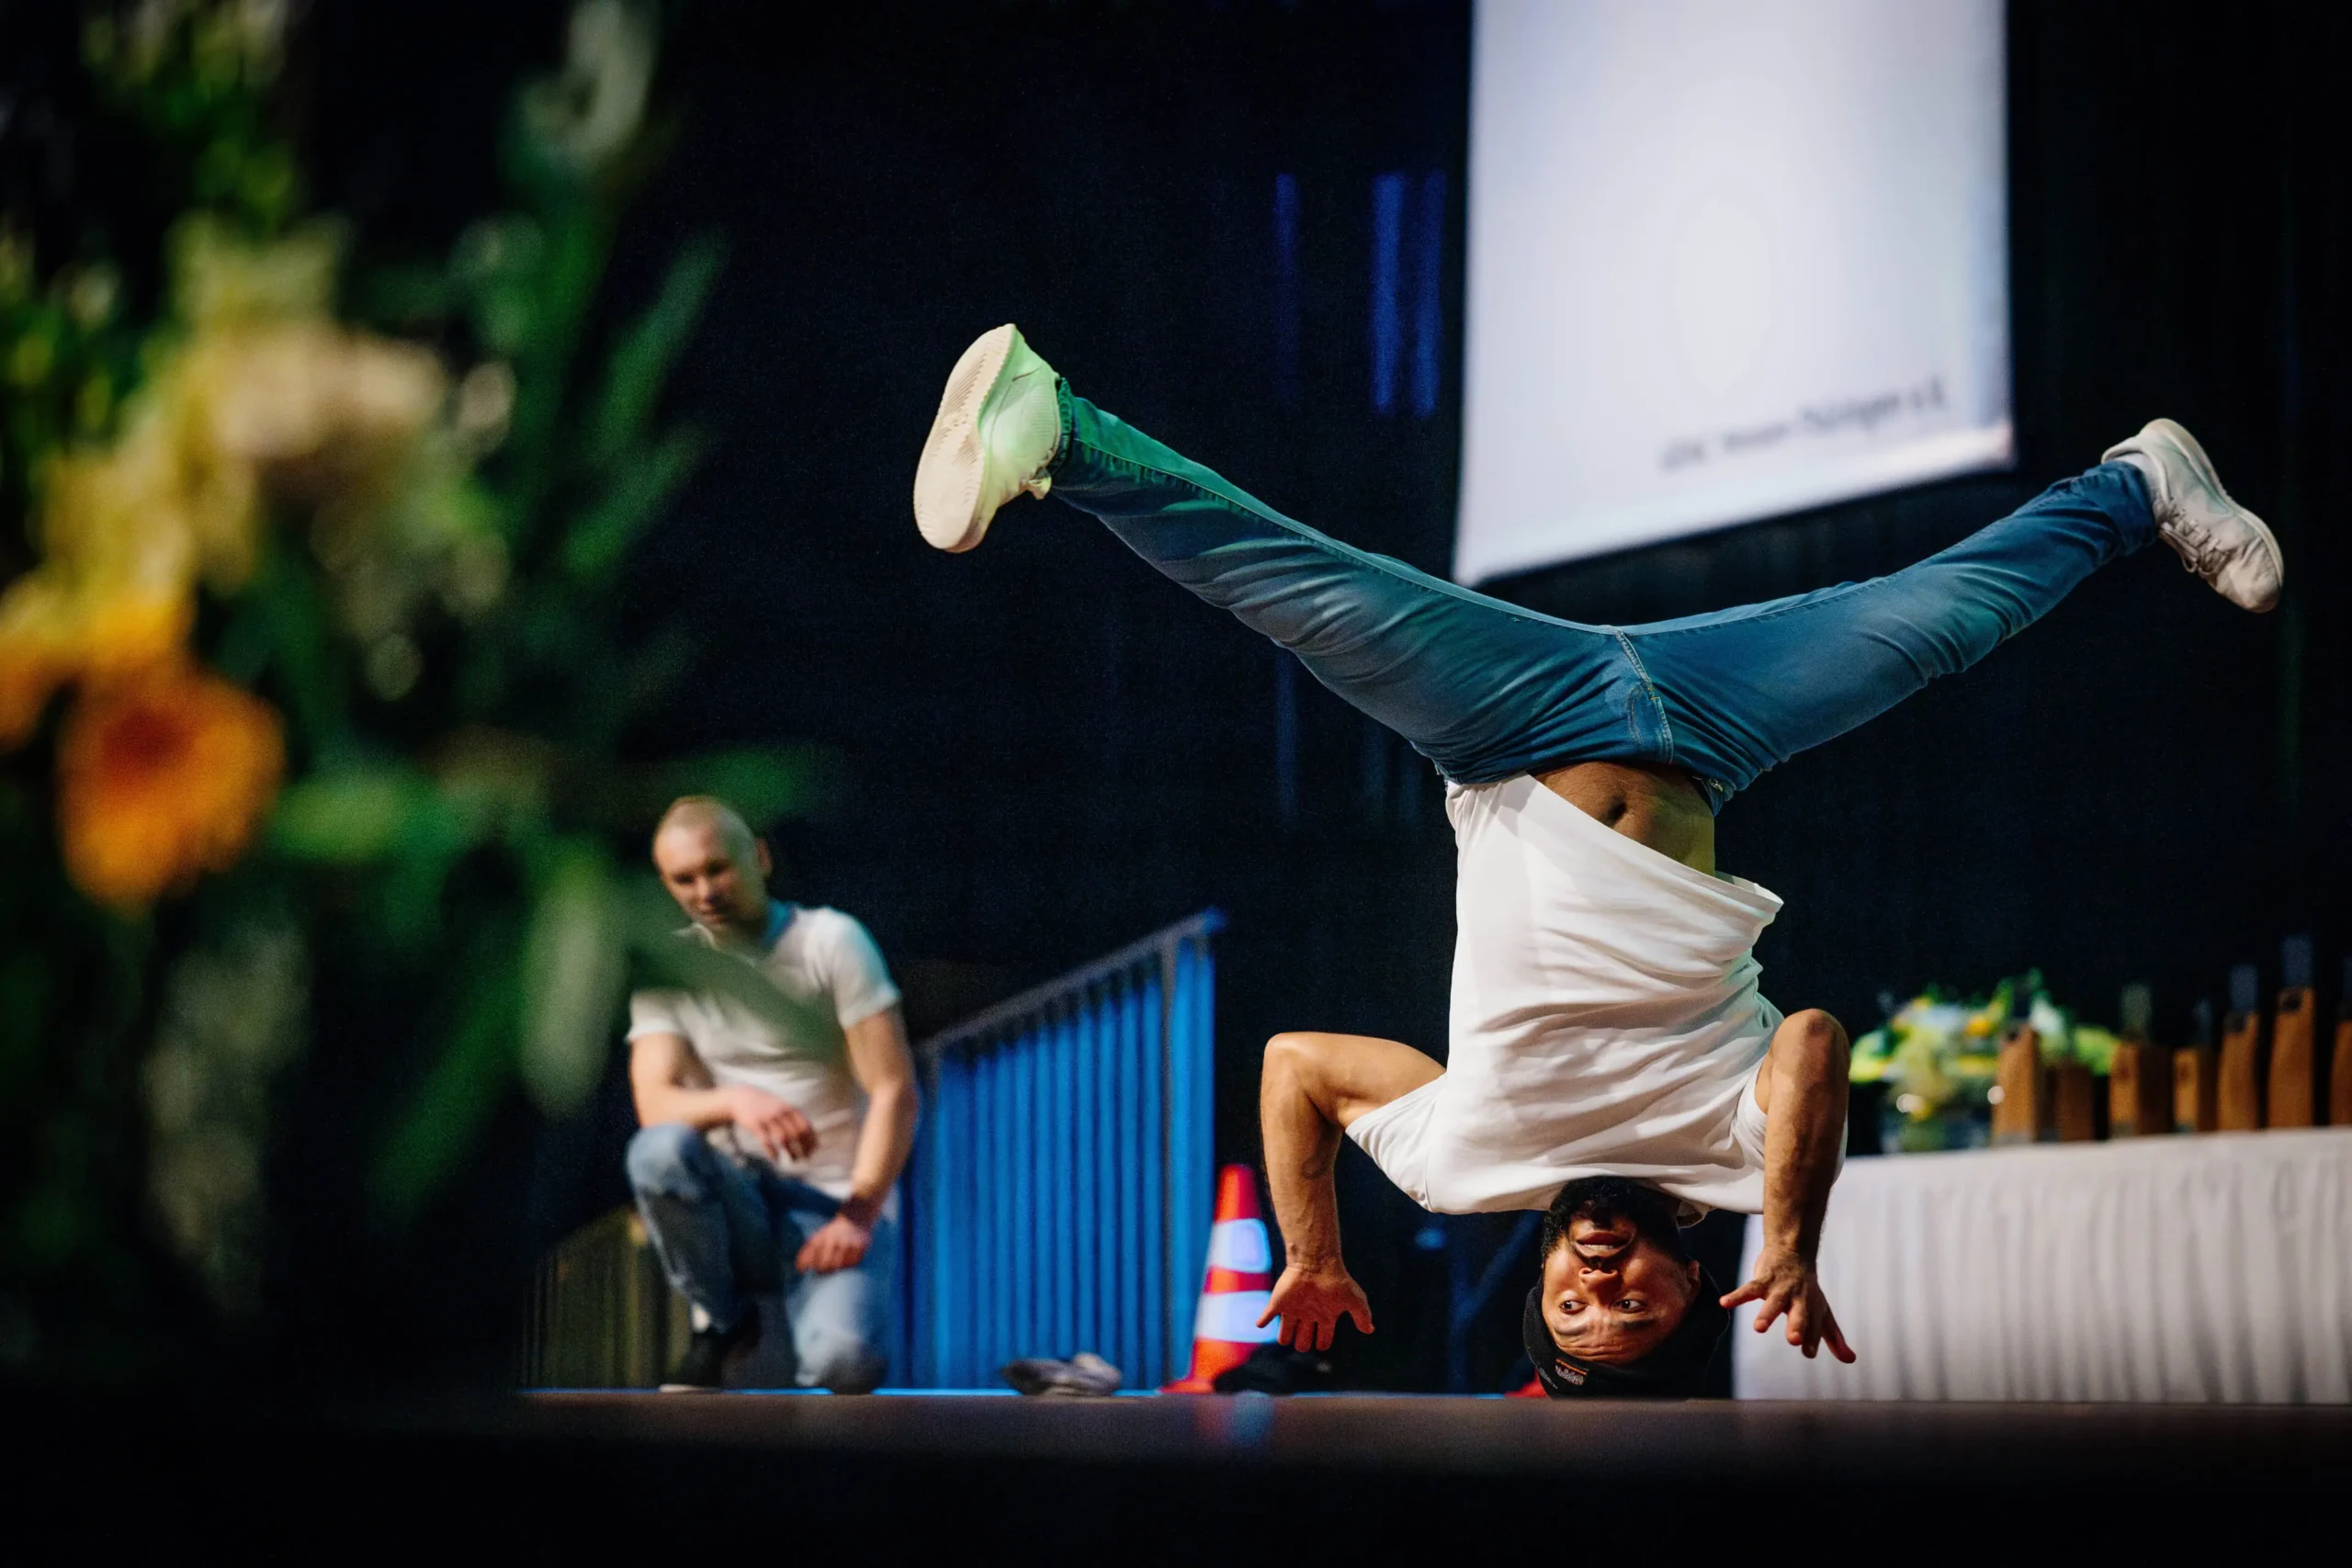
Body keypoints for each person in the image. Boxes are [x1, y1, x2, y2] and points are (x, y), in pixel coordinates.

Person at [910, 323, 2281, 1396]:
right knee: (1941, 621)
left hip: (1508, 730)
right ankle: (2137, 482)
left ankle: (1061, 428)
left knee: (1300, 592)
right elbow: (1808, 1039)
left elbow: (1295, 1069)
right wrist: (1793, 1240)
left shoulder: (1464, 1161)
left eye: (1574, 1307)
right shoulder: (1743, 1165)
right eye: (1634, 1308)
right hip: (1711, 727)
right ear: (1697, 1282)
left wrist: (1316, 1251)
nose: (1601, 1285)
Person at [624, 795, 919, 1392]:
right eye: (685, 879)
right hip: (738, 1206)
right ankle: (727, 1320)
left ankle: (826, 1325)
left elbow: (894, 1090)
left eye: (718, 868)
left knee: (844, 1366)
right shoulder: (669, 967)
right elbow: (655, 1104)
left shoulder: (831, 940)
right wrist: (737, 1101)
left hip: (832, 1209)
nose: (705, 891)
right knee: (656, 1151)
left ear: (759, 856)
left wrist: (858, 1214)